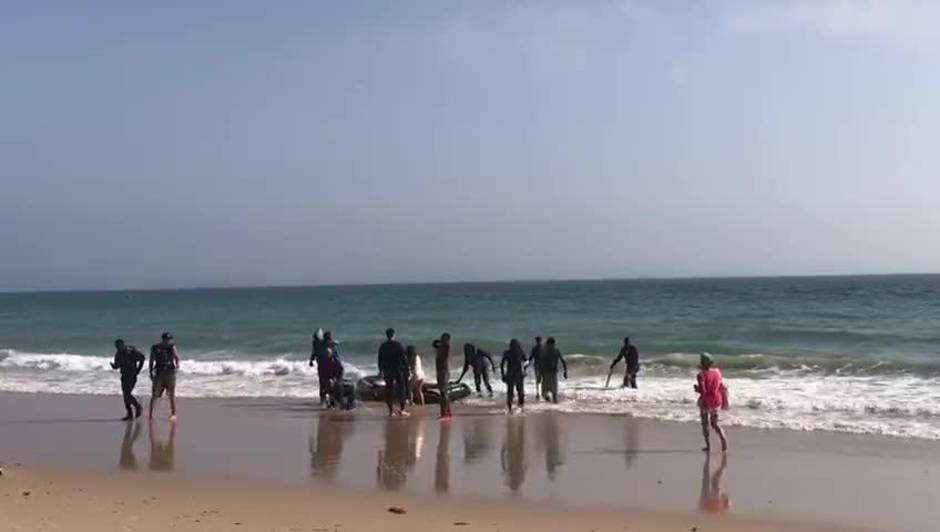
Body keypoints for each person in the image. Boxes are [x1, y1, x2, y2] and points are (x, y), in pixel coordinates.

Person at [694, 353, 729, 453]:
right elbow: (721, 386)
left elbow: (704, 391)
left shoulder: (701, 375)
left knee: (705, 424)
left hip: (706, 402)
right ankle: (723, 442)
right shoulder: (717, 372)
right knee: (715, 424)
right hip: (717, 401)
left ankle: (708, 445)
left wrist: (697, 389)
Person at [110, 339, 145, 420]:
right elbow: (117, 365)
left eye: (119, 346)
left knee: (127, 394)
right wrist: (114, 366)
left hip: (132, 375)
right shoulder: (118, 354)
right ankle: (129, 414)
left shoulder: (131, 351)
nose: (118, 348)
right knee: (125, 395)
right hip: (124, 376)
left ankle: (138, 406)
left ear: (123, 345)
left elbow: (142, 359)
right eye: (116, 347)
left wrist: (138, 370)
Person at [378, 328, 409, 417]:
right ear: (394, 335)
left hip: (388, 370)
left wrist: (381, 370)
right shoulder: (398, 345)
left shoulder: (383, 346)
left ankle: (391, 411)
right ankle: (402, 410)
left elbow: (380, 359)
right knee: (401, 389)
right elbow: (403, 358)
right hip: (398, 369)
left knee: (389, 389)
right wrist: (407, 368)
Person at [149, 332, 180, 420]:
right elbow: (151, 361)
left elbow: (176, 357)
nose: (168, 341)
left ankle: (173, 413)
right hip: (159, 373)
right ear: (163, 339)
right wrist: (150, 372)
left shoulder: (171, 346)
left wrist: (177, 365)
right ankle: (151, 415)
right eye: (167, 339)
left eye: (169, 339)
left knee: (171, 394)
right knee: (155, 394)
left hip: (170, 372)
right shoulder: (155, 348)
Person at [500, 339, 527, 413]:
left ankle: (509, 408)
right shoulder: (520, 352)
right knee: (520, 391)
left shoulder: (507, 353)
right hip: (519, 373)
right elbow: (526, 361)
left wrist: (503, 374)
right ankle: (521, 407)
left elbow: (502, 364)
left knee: (510, 392)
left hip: (510, 374)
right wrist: (524, 370)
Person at [539, 337, 567, 404]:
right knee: (552, 391)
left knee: (546, 392)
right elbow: (562, 360)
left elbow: (541, 363)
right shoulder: (555, 350)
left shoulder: (545, 351)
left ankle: (552, 405)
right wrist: (565, 371)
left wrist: (540, 374)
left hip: (548, 372)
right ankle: (553, 406)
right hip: (551, 372)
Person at [309, 329, 331, 405]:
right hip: (326, 366)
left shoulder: (316, 343)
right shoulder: (325, 343)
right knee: (326, 382)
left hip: (322, 366)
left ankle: (323, 400)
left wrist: (311, 361)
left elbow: (314, 353)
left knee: (323, 383)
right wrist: (311, 361)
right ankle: (326, 399)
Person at [434, 333, 453, 420]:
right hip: (440, 371)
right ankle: (446, 412)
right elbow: (434, 343)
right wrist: (439, 342)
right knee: (442, 393)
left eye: (443, 338)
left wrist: (442, 342)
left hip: (443, 371)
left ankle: (445, 414)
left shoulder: (446, 346)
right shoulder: (441, 347)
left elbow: (444, 345)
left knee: (444, 392)